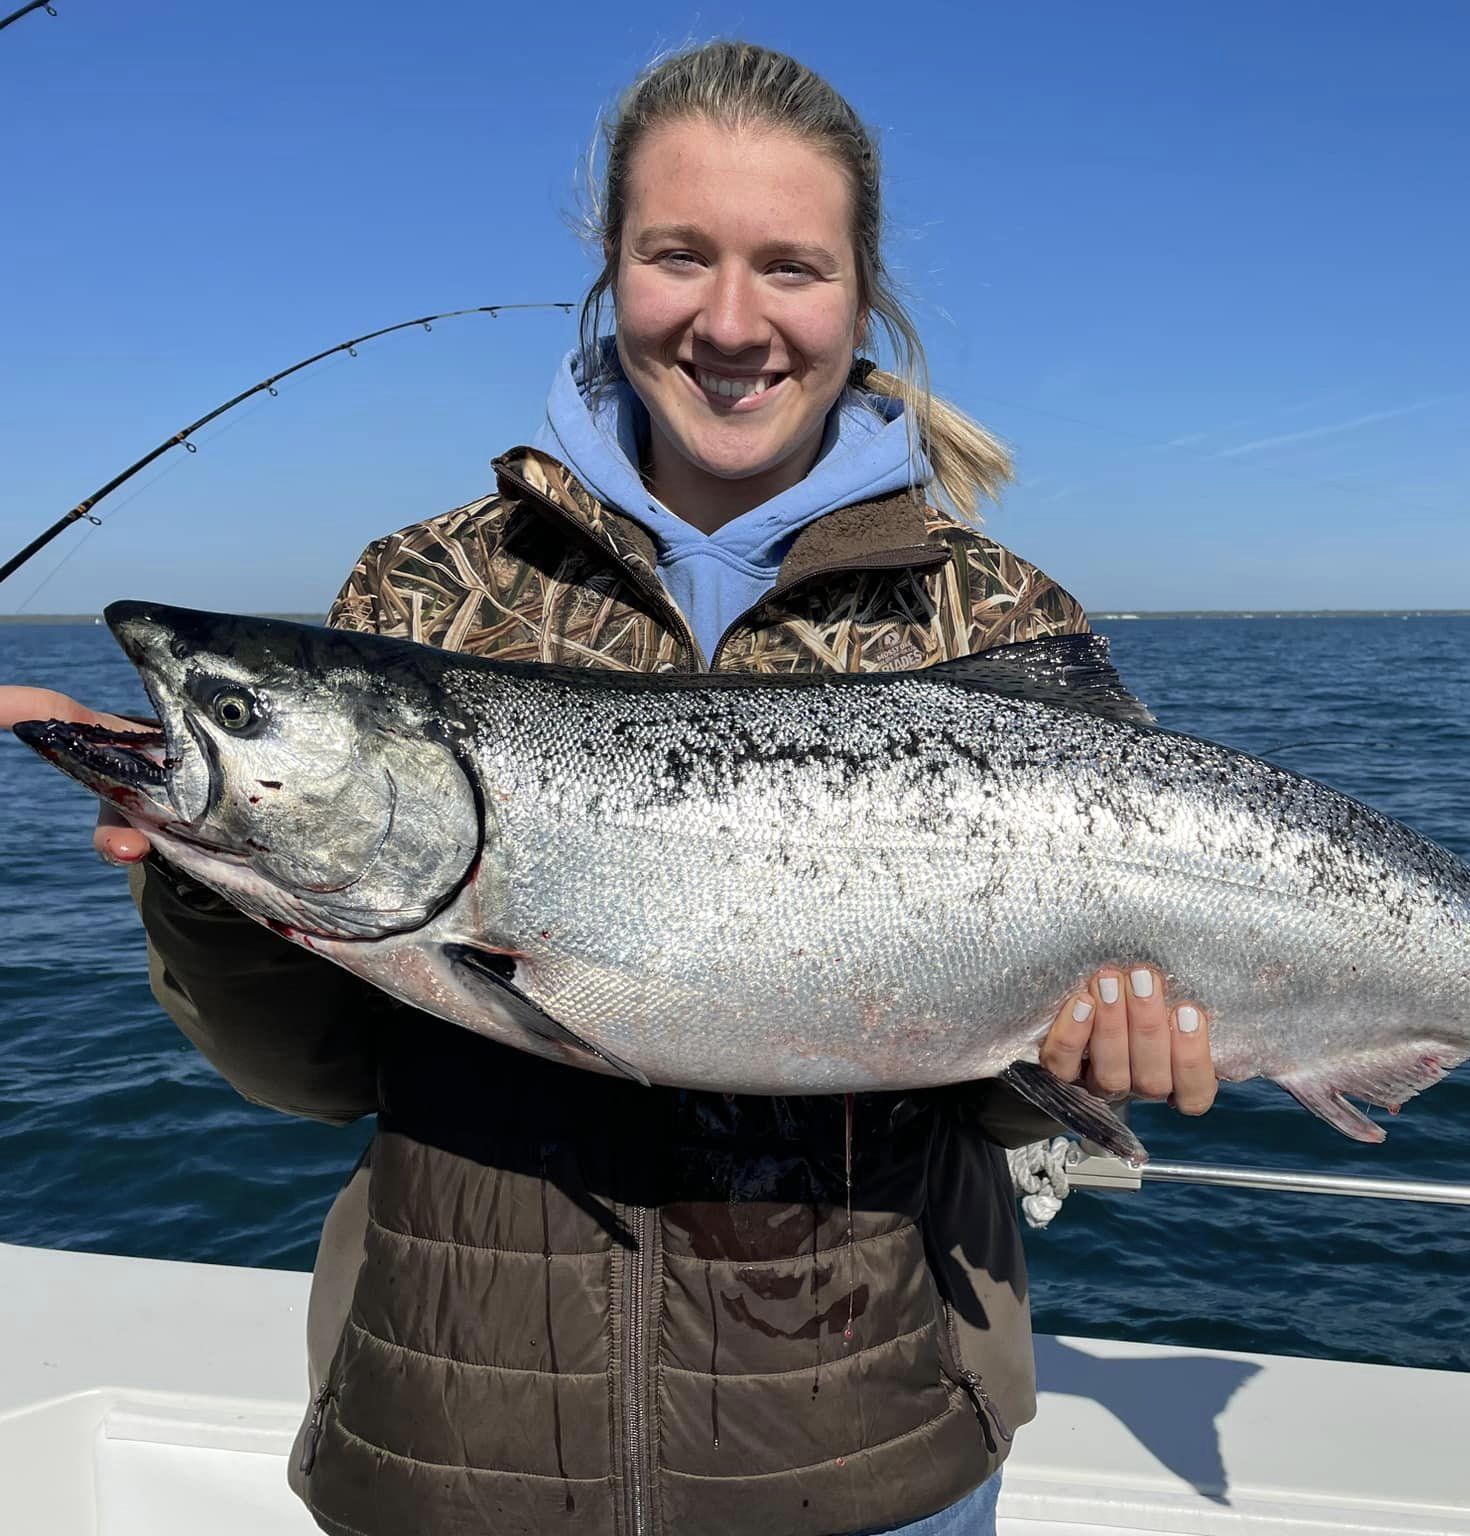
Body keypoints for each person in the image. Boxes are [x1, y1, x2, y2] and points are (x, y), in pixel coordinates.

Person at [0, 40, 1218, 1536]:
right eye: (677, 255)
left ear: (860, 298)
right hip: (461, 1458)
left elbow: (983, 1106)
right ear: (611, 273)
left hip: (869, 1457)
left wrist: (1080, 1068)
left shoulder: (991, 618)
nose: (731, 321)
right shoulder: (425, 590)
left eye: (789, 266)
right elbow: (311, 1074)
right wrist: (205, 875)